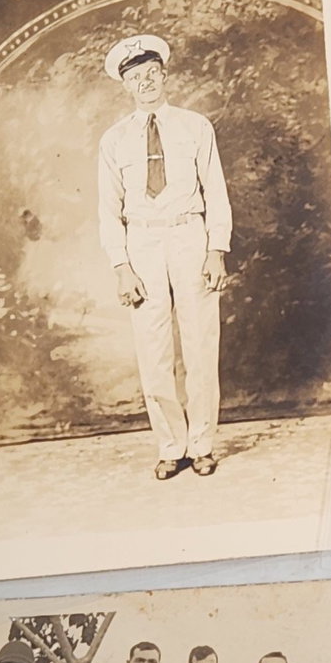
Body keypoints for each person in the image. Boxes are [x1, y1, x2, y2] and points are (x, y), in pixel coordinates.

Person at [97, 33, 232, 480]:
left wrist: (216, 250)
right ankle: (171, 445)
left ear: (166, 75)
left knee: (199, 344)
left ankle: (203, 444)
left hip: (189, 237)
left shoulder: (196, 127)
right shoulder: (114, 141)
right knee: (153, 351)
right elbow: (108, 207)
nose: (146, 83)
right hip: (144, 244)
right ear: (126, 86)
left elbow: (216, 192)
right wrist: (121, 267)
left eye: (153, 73)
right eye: (136, 78)